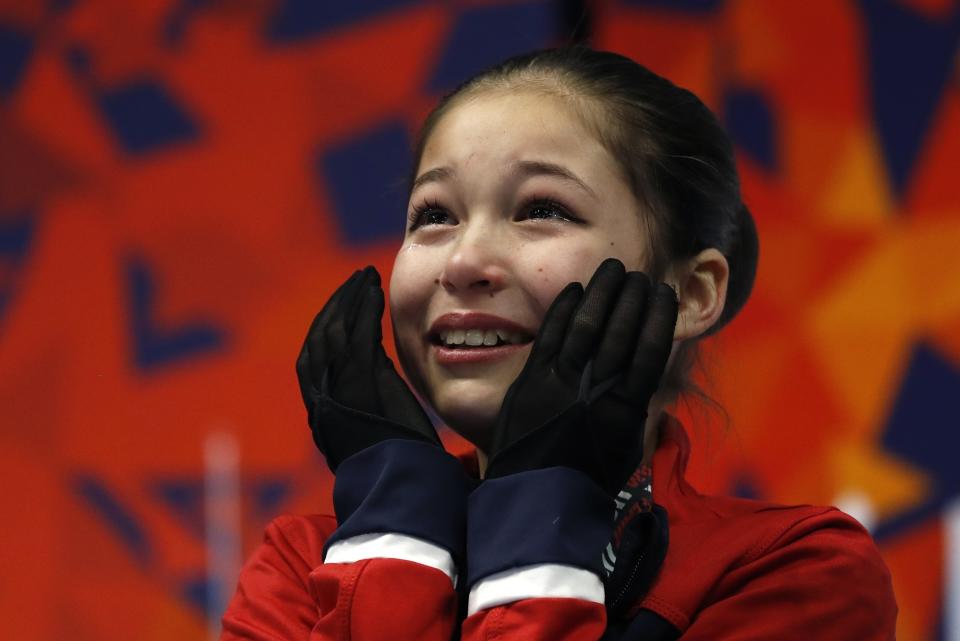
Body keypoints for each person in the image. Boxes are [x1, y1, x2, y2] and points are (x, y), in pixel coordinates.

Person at [220, 47, 897, 640]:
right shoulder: (300, 564)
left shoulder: (795, 567)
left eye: (542, 209)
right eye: (434, 216)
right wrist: (395, 522)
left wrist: (538, 507)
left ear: (692, 293)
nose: (463, 261)